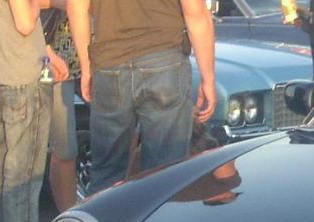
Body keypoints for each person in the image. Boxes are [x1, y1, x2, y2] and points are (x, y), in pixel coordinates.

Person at [67, 0, 216, 195]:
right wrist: (208, 79)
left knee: (106, 172)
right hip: (164, 61)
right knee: (166, 172)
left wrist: (86, 67)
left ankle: (103, 215)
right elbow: (196, 13)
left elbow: (76, 7)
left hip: (109, 62)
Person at [0, 0, 68, 222]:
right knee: (24, 174)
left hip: (1, 73)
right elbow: (25, 23)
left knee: (4, 169)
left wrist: (47, 51)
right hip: (23, 76)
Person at [42, 0, 79, 211]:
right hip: (54, 58)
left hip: (102, 54)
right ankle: (68, 218)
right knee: (65, 148)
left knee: (124, 139)